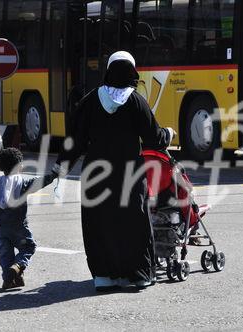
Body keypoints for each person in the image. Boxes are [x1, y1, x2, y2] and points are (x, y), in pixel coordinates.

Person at [53, 51, 175, 291]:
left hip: (96, 174)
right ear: (132, 72)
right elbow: (153, 138)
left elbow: (75, 140)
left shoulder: (89, 101)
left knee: (99, 224)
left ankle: (104, 276)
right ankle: (137, 275)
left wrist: (61, 166)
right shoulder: (136, 101)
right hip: (129, 174)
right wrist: (169, 134)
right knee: (133, 223)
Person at [0, 148, 57, 290]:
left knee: (5, 254)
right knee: (28, 247)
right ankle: (17, 267)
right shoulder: (21, 183)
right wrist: (52, 175)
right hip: (19, 227)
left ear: (0, 166)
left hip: (1, 228)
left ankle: (8, 280)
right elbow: (38, 182)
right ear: (19, 167)